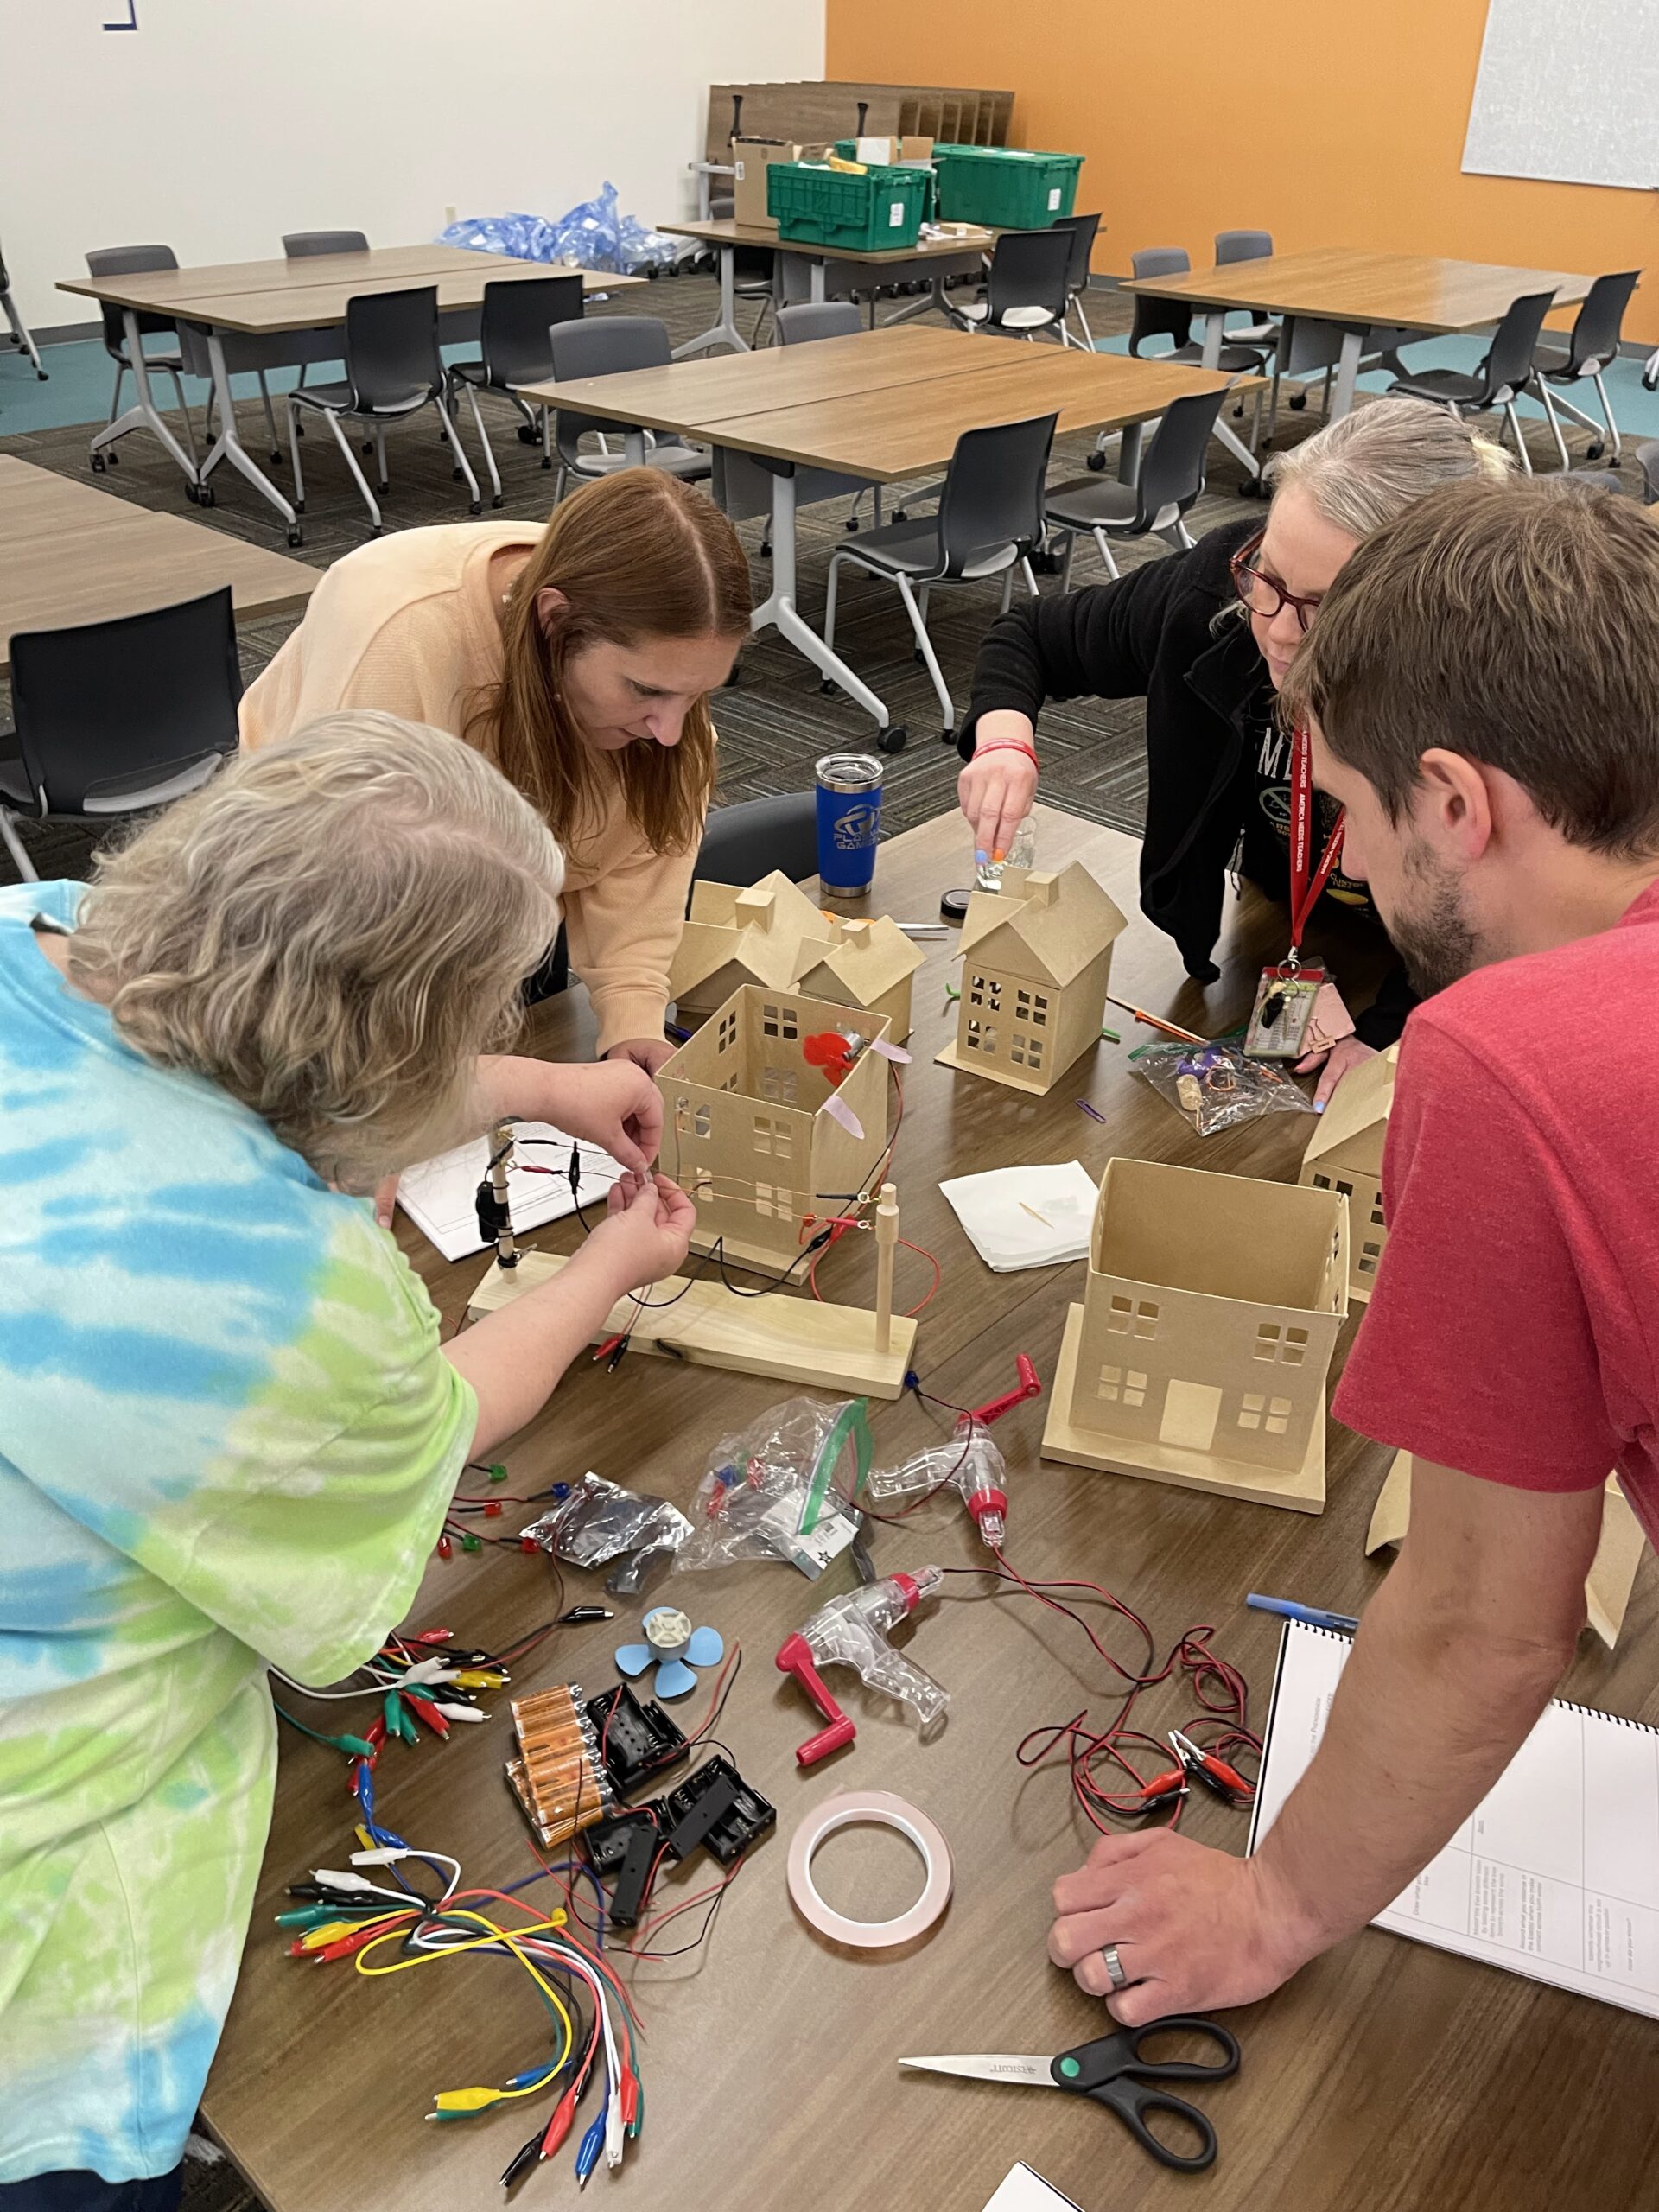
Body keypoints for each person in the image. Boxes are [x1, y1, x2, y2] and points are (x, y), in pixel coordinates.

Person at [0, 714, 696, 2209]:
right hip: (40, 1873)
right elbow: (440, 1417)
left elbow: (280, 1044)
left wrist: (531, 1086)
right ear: (388, 1037)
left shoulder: (38, 929)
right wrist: (606, 1272)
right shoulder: (271, 1295)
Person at [1046, 477, 1659, 2024]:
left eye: (1360, 819)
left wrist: (1272, 1904)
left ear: (1458, 802)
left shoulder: (1513, 1057)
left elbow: (1481, 1612)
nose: (1361, 872)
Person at [956, 398, 1512, 1100]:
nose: (1277, 630)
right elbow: (1033, 637)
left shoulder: (1494, 681)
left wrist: (1394, 1028)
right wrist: (1004, 739)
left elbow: (1501, 915)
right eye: (1267, 577)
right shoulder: (1220, 587)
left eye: (1323, 609)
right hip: (1279, 929)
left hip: (1441, 963)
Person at [240, 468, 753, 1080]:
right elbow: (340, 930)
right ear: (554, 622)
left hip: (495, 909)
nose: (670, 730)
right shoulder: (397, 640)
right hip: (316, 911)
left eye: (695, 696)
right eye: (646, 690)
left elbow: (637, 850)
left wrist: (632, 1017)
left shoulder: (657, 668)